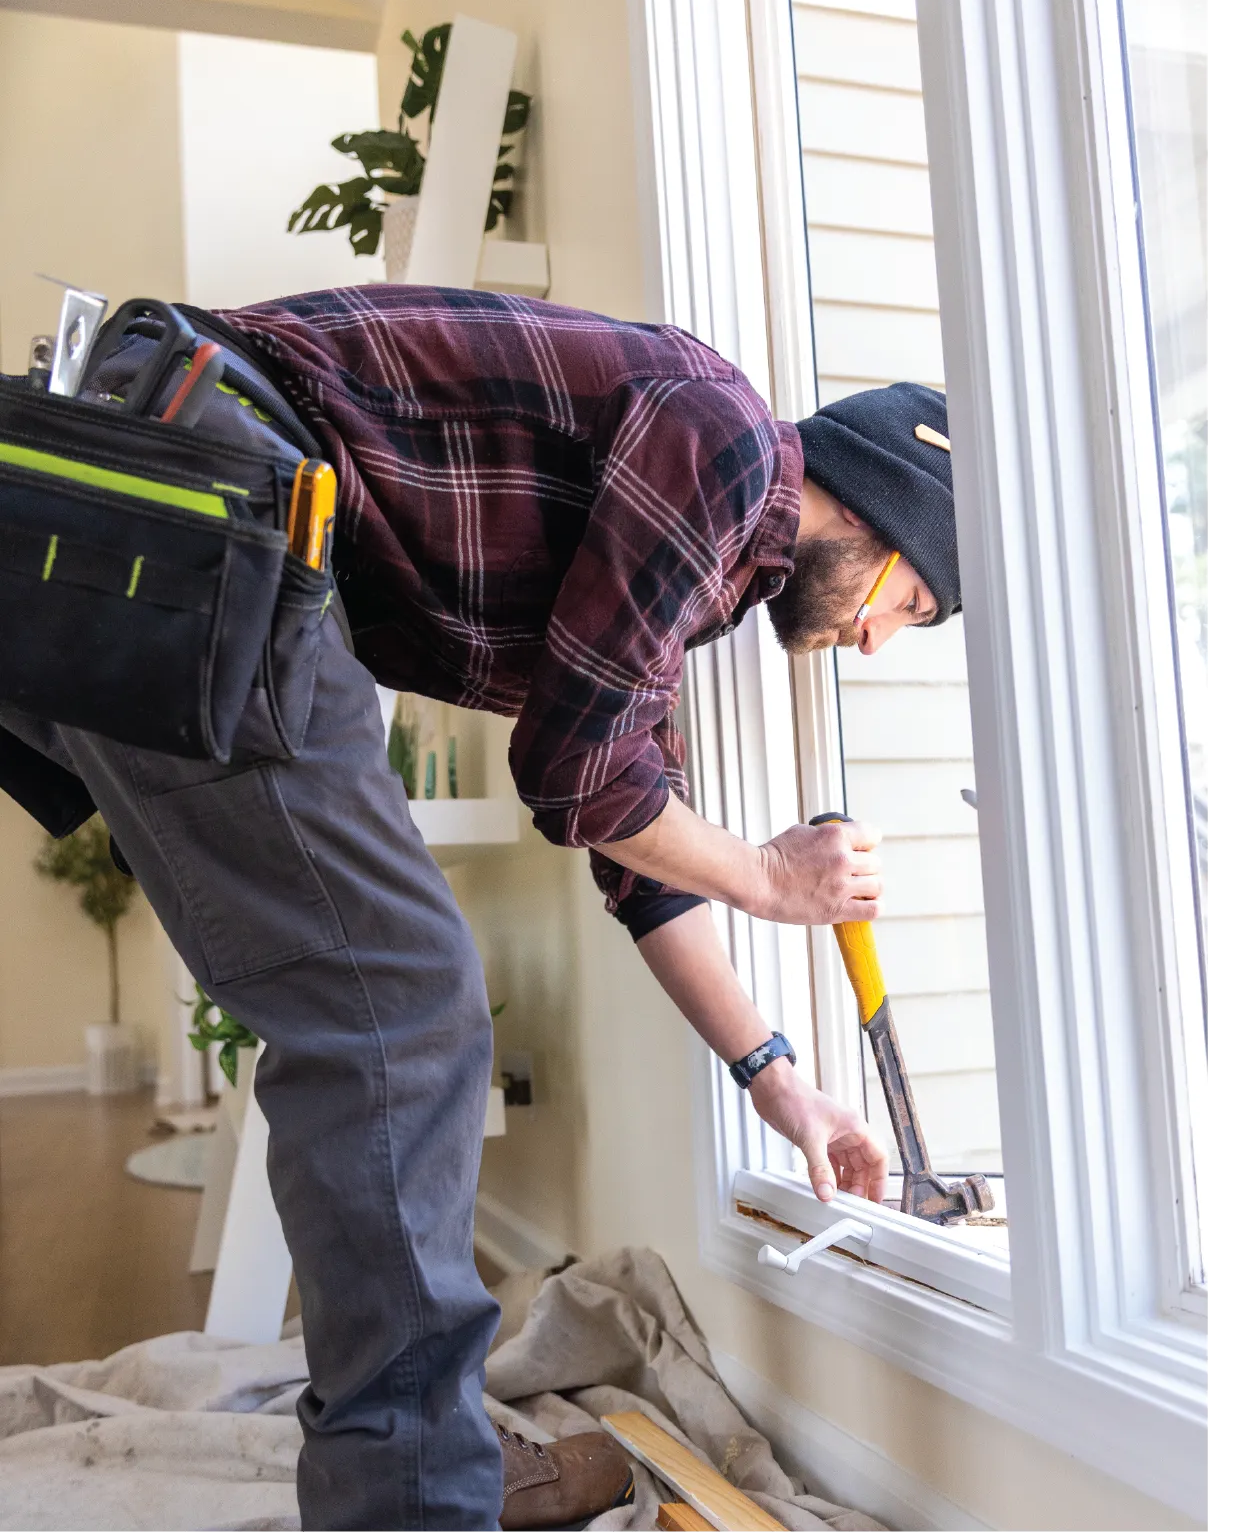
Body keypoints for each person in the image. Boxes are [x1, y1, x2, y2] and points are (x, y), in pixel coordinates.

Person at [0, 285, 955, 1531]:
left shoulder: (695, 563)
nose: (880, 641)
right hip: (205, 493)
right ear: (883, 521)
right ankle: (415, 1500)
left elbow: (633, 845)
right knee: (399, 1012)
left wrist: (778, 1080)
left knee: (383, 1003)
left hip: (168, 494)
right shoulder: (725, 448)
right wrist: (772, 880)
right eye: (911, 606)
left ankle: (411, 1465)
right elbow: (573, 774)